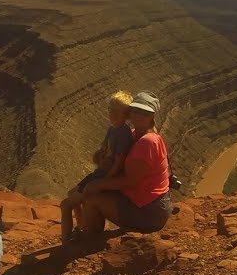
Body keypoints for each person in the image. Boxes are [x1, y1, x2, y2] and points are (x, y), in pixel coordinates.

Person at [77, 91, 172, 236]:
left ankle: (89, 238)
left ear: (152, 115)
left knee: (92, 197)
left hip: (149, 212)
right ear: (130, 113)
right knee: (94, 189)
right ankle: (85, 232)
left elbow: (131, 181)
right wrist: (100, 159)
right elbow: (104, 156)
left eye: (145, 112)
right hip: (146, 202)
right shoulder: (133, 133)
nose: (139, 115)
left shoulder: (148, 141)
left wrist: (96, 185)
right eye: (136, 110)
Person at [60, 90, 136, 243]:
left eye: (116, 111)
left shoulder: (123, 133)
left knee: (66, 205)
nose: (111, 113)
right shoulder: (112, 129)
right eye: (110, 109)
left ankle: (66, 240)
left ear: (126, 115)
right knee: (70, 194)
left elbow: (119, 162)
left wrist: (105, 182)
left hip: (102, 177)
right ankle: (81, 228)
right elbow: (103, 151)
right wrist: (100, 160)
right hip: (99, 173)